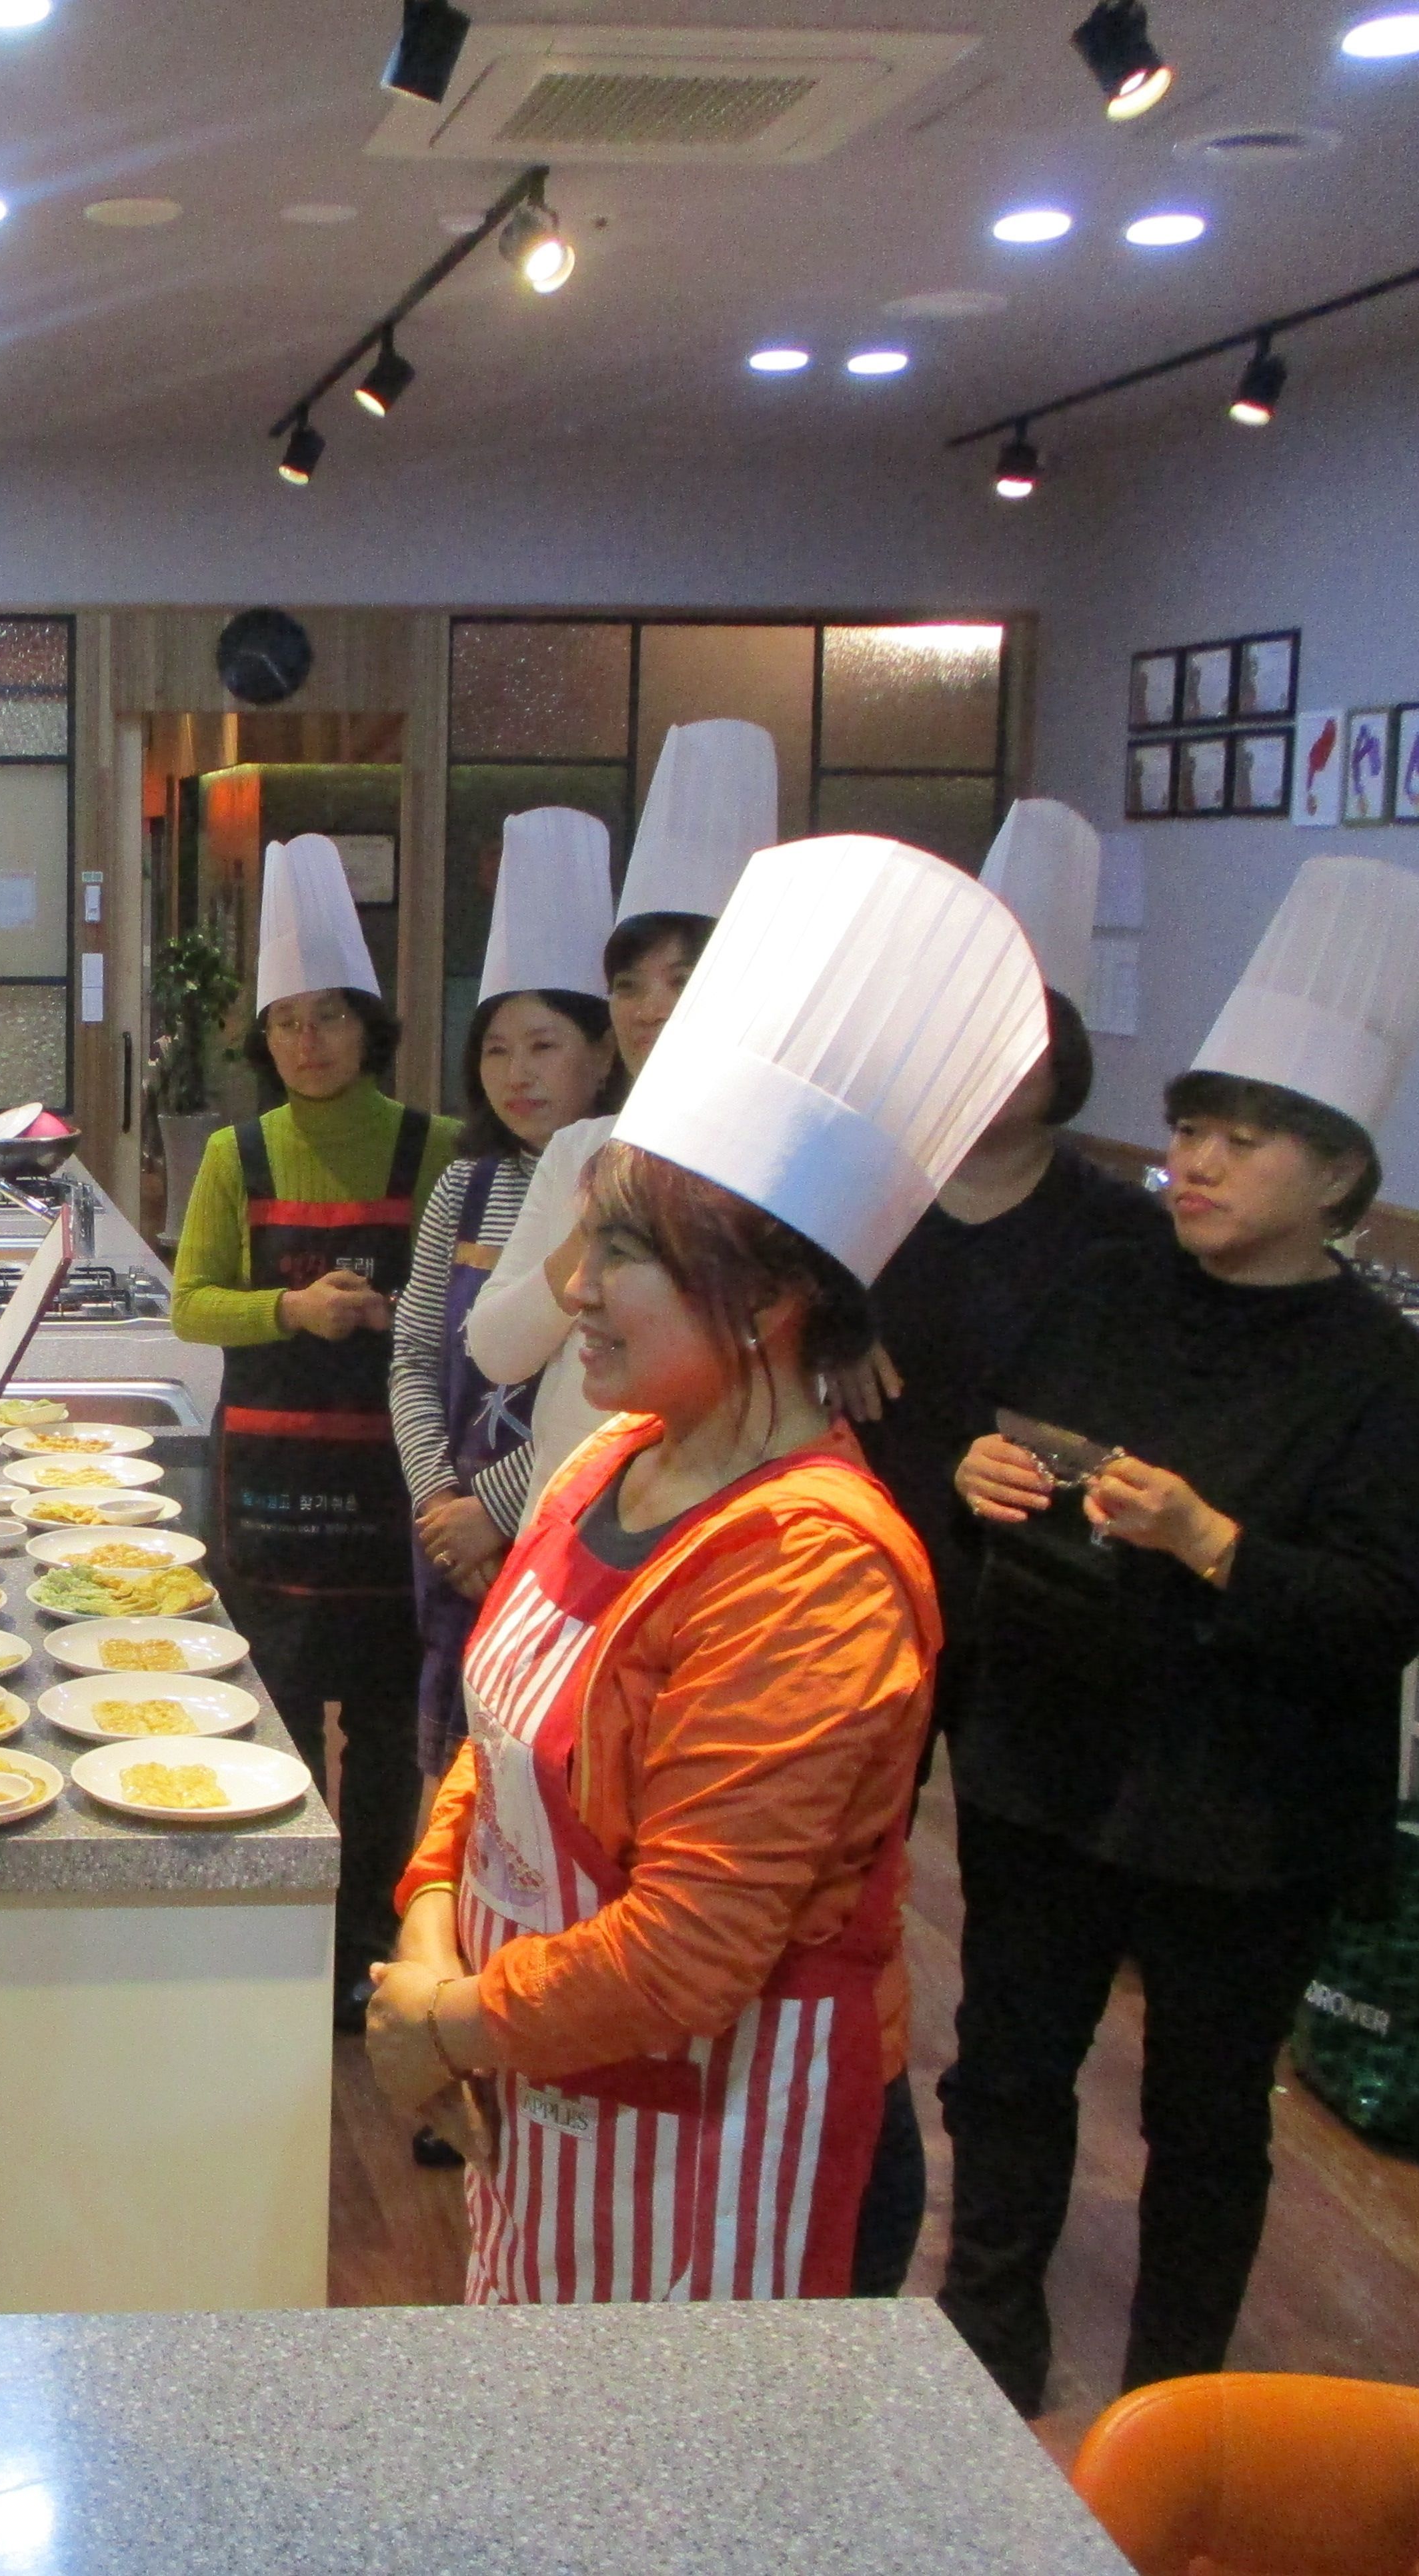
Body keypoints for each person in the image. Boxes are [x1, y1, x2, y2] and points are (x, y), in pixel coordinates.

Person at [365, 835, 1048, 2305]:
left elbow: (687, 1952)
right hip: (543, 2092)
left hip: (732, 2153)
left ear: (771, 1297)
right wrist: (425, 1937)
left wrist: (444, 2021)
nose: (570, 1284)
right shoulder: (613, 1457)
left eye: (622, 1250)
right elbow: (494, 1745)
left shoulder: (808, 1570)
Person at [937, 853, 1419, 2414]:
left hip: (1243, 1809)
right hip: (1047, 1757)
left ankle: (1177, 2405)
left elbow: (1382, 1610)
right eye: (1188, 1132)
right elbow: (1012, 1448)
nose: (1200, 1165)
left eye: (1244, 1139)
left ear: (1339, 1174)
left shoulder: (1381, 1375)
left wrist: (1210, 1542)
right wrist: (981, 1481)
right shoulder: (1103, 1290)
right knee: (1008, 2066)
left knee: (1206, 2116)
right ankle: (985, 2347)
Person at [173, 833, 459, 2026]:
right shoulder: (234, 1155)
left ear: (367, 1025)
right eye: (286, 1022)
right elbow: (193, 1304)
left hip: (396, 1486)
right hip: (273, 1488)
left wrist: (404, 1310)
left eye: (330, 1016)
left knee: (388, 1730)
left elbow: (466, 1309)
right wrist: (291, 1308)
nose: (308, 1042)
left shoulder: (436, 1147)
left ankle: (368, 1942)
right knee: (279, 1712)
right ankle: (280, 1929)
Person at [846, 800, 1168, 1753]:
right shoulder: (862, 1203)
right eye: (973, 1031)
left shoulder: (1124, 1229)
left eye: (1029, 1033)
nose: (999, 1057)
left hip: (1043, 1586)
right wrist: (834, 1324)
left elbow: (1142, 1409)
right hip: (868, 1566)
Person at [460, 717, 779, 1528]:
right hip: (564, 1517)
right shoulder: (581, 1150)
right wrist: (595, 1225)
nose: (650, 1009)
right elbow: (494, 1349)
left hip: (717, 1522)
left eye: (682, 980)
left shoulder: (786, 1165)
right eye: (629, 985)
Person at [389, 807, 619, 1780]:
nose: (516, 1074)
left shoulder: (625, 1188)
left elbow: (611, 1396)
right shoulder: (465, 1185)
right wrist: (440, 1500)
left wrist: (492, 1504)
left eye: (544, 1046)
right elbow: (413, 1354)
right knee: (451, 1789)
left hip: (574, 1530)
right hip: (449, 1540)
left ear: (603, 1053)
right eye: (495, 1049)